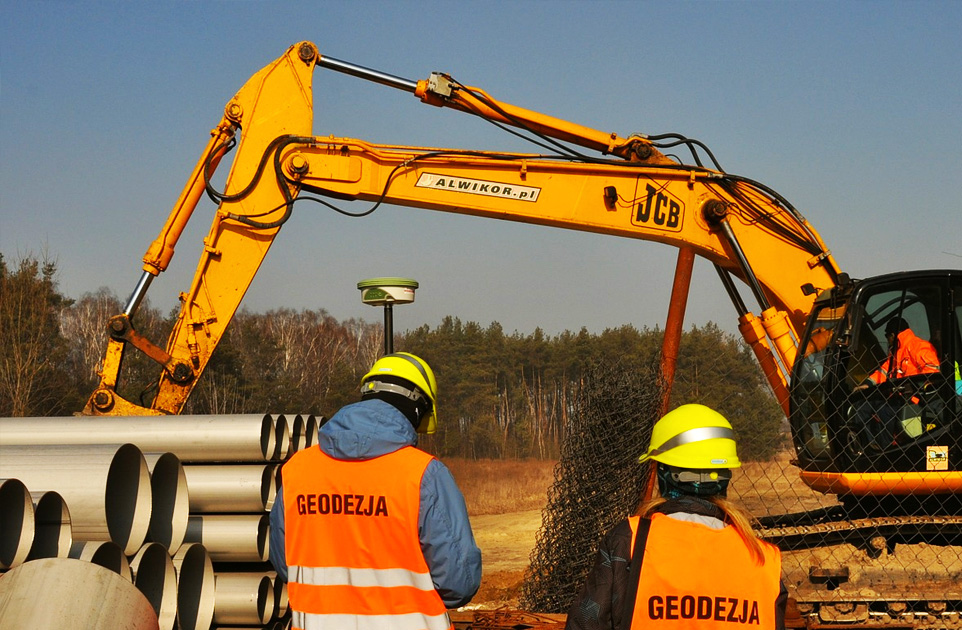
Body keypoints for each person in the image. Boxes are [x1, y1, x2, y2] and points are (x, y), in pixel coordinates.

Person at [269, 352, 482, 630]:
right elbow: (458, 582)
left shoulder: (297, 470)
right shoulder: (423, 474)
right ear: (418, 408)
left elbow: (285, 565)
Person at [565, 404, 787, 630]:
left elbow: (585, 623)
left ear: (663, 472)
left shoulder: (629, 541)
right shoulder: (763, 558)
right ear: (725, 474)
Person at [853, 317, 940, 450]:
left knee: (884, 411)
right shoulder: (896, 353)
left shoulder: (918, 346)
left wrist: (911, 386)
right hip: (898, 397)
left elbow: (932, 371)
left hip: (914, 399)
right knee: (863, 405)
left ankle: (885, 449)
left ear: (892, 335)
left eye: (887, 336)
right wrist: (867, 384)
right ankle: (867, 445)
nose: (887, 340)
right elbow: (883, 372)